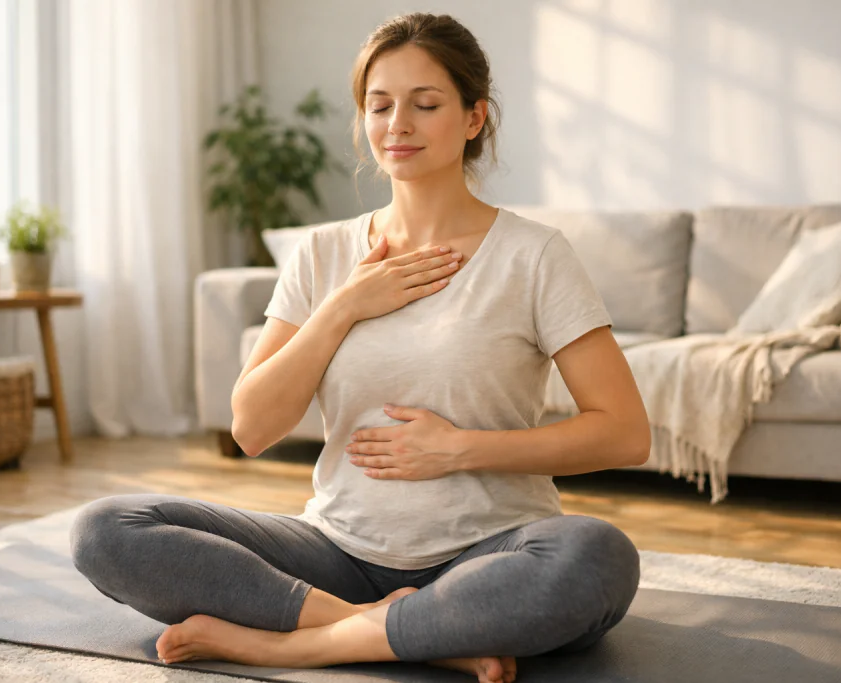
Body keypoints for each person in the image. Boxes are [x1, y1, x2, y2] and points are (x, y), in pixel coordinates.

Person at [69, 12, 650, 683]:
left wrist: (461, 447)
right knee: (106, 529)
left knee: (596, 557)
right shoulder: (323, 254)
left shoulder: (534, 256)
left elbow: (624, 433)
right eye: (380, 106)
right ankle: (397, 628)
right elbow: (253, 427)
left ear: (472, 117)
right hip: (335, 549)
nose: (397, 124)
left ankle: (295, 643)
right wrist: (344, 305)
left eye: (425, 104)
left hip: (491, 550)